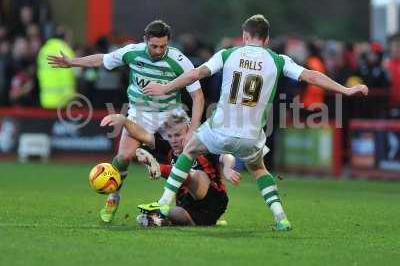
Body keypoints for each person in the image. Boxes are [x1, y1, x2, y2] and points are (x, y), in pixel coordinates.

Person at [138, 14, 369, 231]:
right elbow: (311, 76)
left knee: (189, 151)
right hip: (251, 135)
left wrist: (165, 87)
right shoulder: (278, 60)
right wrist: (346, 90)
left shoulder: (228, 54)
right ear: (266, 39)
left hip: (220, 128)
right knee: (259, 169)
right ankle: (281, 218)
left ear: (245, 35)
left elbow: (195, 75)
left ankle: (165, 202)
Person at [47, 20, 205, 223]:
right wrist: (72, 62)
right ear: (145, 40)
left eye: (163, 46)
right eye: (154, 46)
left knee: (189, 160)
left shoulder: (180, 61)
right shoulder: (132, 52)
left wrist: (192, 129)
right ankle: (113, 197)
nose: (158, 50)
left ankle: (203, 210)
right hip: (139, 114)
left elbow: (198, 97)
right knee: (123, 157)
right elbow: (102, 60)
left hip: (170, 116)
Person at [101, 112, 239, 226]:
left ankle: (160, 169)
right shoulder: (169, 149)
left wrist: (227, 168)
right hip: (189, 207)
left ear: (189, 131)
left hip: (213, 200)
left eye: (178, 135)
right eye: (170, 136)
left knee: (195, 174)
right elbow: (142, 135)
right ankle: (159, 220)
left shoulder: (201, 144)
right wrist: (124, 121)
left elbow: (226, 156)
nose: (173, 140)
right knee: (168, 213)